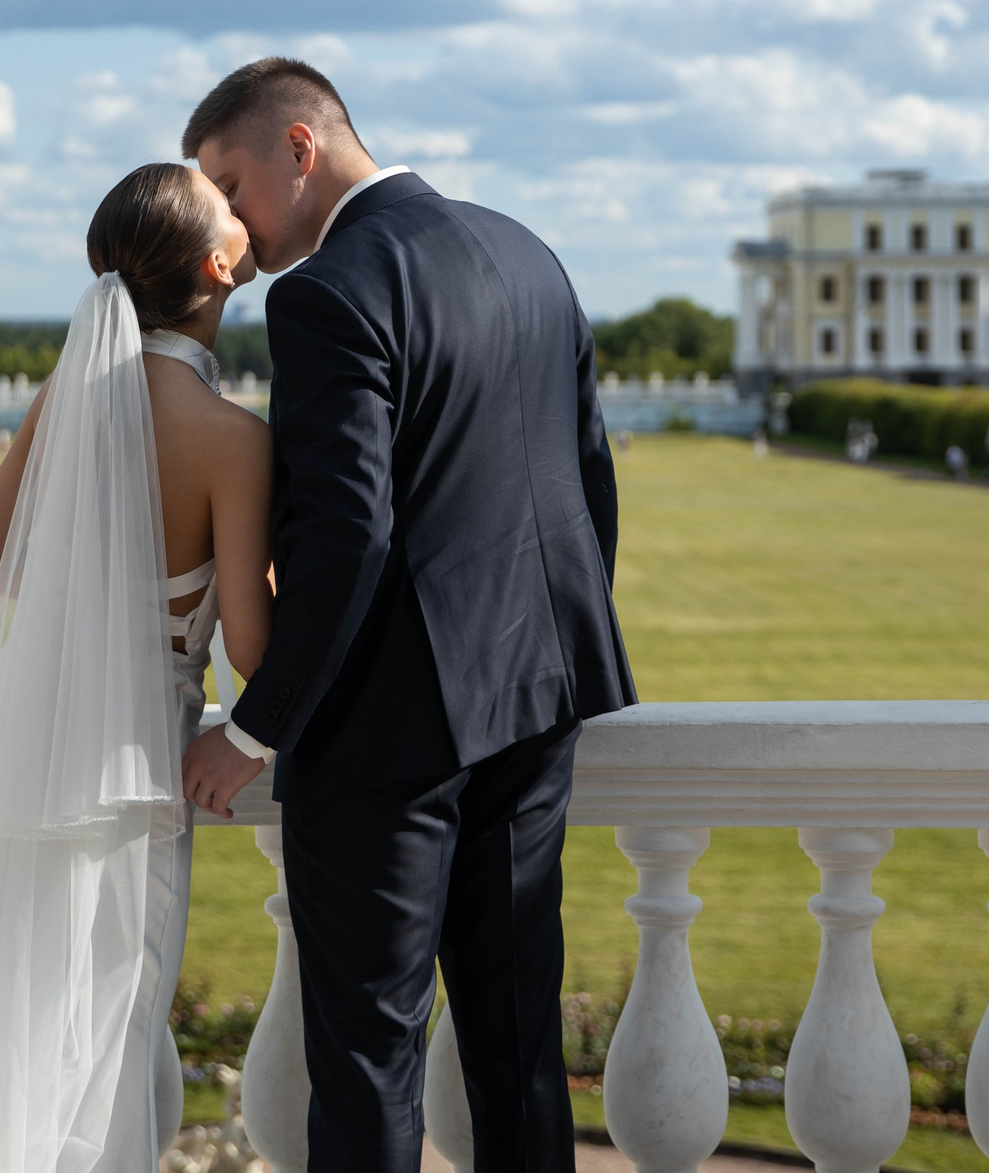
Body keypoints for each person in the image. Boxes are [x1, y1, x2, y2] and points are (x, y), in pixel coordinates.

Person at [178, 58, 632, 1173]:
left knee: (370, 1065)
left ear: (299, 146)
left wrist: (253, 729)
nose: (227, 226)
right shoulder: (528, 252)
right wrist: (545, 655)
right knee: (517, 1043)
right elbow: (589, 483)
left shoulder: (325, 294)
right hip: (538, 703)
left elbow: (346, 539)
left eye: (230, 185)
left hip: (389, 742)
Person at [0, 163, 273, 1173]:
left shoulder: (67, 399)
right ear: (218, 265)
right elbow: (252, 648)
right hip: (135, 766)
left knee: (17, 1033)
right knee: (108, 1036)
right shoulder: (235, 439)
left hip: (31, 751)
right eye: (228, 212)